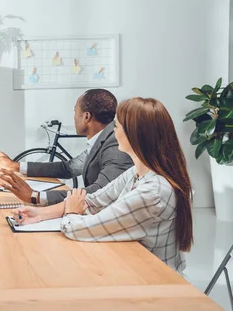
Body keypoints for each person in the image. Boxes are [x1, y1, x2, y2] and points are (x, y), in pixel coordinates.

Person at [12, 98, 193, 272]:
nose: (113, 132)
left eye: (117, 126)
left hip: (153, 281)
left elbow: (78, 228)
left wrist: (72, 212)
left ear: (134, 135)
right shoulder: (138, 173)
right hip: (134, 266)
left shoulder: (152, 193)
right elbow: (93, 200)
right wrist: (40, 214)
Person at [0, 89, 133, 205]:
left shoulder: (115, 145)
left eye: (75, 112)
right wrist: (15, 166)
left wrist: (36, 196)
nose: (73, 118)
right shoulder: (103, 138)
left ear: (86, 117)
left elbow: (99, 192)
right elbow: (68, 168)